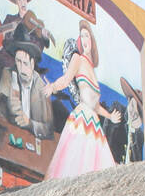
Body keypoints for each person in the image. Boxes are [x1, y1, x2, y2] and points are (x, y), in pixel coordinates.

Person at [42, 21, 122, 179]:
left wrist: (110, 116)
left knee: (97, 171)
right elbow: (66, 79)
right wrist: (53, 87)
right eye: (82, 35)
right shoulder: (77, 59)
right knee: (74, 167)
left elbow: (96, 105)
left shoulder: (92, 68)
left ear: (92, 40)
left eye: (87, 35)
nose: (85, 39)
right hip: (81, 120)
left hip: (94, 122)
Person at [0, 41, 54, 140]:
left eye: (25, 63)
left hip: (31, 140)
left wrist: (29, 123)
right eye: (18, 61)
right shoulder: (8, 75)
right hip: (10, 136)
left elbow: (48, 129)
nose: (22, 68)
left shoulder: (42, 88)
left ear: (32, 64)